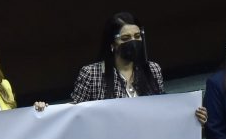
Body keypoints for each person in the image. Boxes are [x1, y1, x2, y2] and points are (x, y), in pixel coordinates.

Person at [70, 11, 208, 124]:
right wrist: (48, 111)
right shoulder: (91, 74)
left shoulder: (153, 70)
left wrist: (193, 116)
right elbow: (72, 116)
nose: (133, 41)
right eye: (125, 38)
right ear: (112, 44)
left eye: (137, 36)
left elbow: (162, 110)